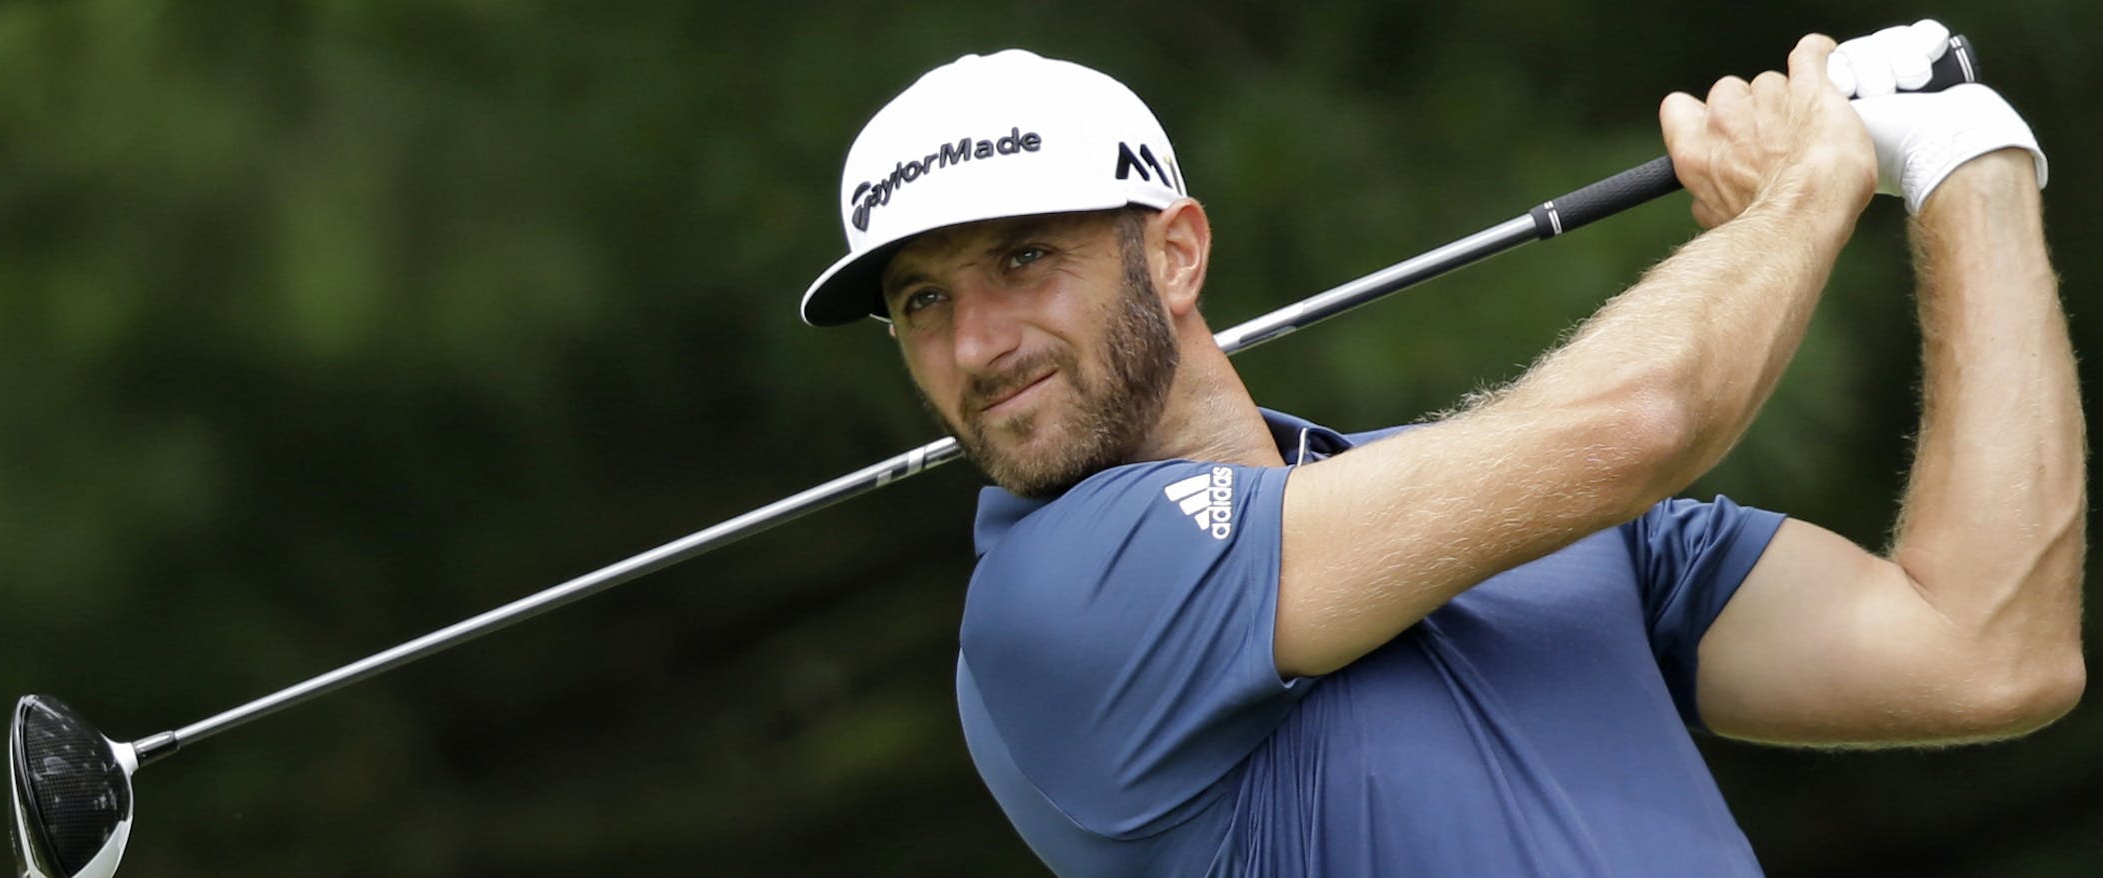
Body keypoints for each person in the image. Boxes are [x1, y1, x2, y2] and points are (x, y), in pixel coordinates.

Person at [797, 22, 2083, 878]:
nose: (975, 341)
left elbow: (1985, 647)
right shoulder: (1055, 593)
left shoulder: (1523, 510)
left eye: (1025, 257)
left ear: (1176, 253)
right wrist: (1813, 181)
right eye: (922, 301)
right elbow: (1634, 427)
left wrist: (1968, 159)